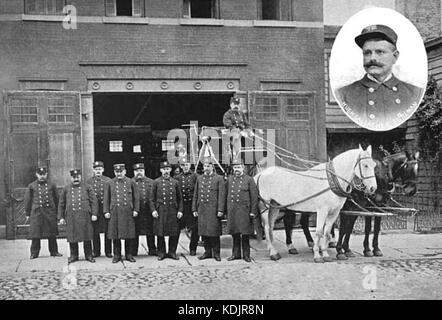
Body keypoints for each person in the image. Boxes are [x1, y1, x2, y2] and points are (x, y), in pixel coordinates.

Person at [335, 24, 424, 131]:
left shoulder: (414, 93)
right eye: (367, 53)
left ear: (395, 56)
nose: (372, 58)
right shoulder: (343, 94)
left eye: (380, 52)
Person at [58, 169, 98, 263]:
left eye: (78, 177)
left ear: (80, 177)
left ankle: (88, 255)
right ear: (71, 177)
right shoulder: (66, 188)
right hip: (71, 217)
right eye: (74, 177)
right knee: (72, 237)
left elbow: (94, 201)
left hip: (85, 216)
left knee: (87, 236)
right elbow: (61, 203)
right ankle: (73, 255)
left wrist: (94, 214)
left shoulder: (87, 187)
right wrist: (61, 217)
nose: (76, 179)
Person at [103, 164, 140, 263]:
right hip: (115, 212)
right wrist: (106, 211)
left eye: (121, 172)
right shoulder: (110, 183)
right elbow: (106, 199)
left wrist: (136, 210)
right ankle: (117, 255)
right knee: (115, 235)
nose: (119, 174)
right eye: (117, 172)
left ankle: (129, 254)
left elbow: (136, 198)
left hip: (128, 212)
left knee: (128, 235)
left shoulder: (131, 182)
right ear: (114, 172)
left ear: (125, 172)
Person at [24, 167, 62, 259]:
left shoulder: (52, 185)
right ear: (36, 175)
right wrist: (28, 213)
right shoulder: (32, 186)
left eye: (43, 174)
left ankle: (54, 251)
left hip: (50, 212)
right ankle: (34, 253)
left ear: (46, 174)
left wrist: (58, 213)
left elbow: (57, 199)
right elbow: (28, 200)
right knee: (35, 234)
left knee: (52, 233)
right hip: (37, 212)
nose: (42, 176)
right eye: (40, 174)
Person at [192, 158, 225, 261]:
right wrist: (194, 209)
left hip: (213, 210)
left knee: (214, 232)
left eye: (208, 166)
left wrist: (220, 209)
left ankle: (216, 253)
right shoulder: (200, 178)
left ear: (212, 167)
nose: (206, 168)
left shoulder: (219, 178)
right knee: (204, 232)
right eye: (205, 166)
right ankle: (207, 252)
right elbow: (196, 194)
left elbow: (222, 196)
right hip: (202, 209)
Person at [149, 161, 184, 261]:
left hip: (173, 210)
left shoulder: (175, 182)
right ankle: (161, 252)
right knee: (160, 233)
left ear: (170, 170)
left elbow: (180, 199)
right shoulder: (156, 182)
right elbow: (151, 199)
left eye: (168, 169)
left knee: (174, 232)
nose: (166, 171)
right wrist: (153, 210)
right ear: (161, 170)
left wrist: (180, 210)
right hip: (160, 211)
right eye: (164, 169)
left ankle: (172, 252)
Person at [226, 160, 259, 263]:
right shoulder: (230, 180)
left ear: (243, 168)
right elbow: (225, 194)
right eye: (235, 168)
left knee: (245, 234)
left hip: (245, 211)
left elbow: (254, 197)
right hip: (233, 211)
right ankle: (235, 254)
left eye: (239, 167)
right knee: (235, 234)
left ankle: (246, 255)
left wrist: (253, 211)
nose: (237, 170)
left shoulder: (249, 180)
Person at [86, 161, 113, 258]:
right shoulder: (89, 182)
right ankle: (96, 251)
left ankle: (108, 251)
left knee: (108, 231)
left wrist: (109, 210)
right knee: (95, 232)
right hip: (95, 211)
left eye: (100, 169)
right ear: (93, 170)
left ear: (103, 170)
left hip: (106, 210)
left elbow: (111, 196)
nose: (98, 171)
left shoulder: (108, 181)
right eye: (96, 169)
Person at [175, 159, 199, 256]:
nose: (185, 166)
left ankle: (193, 248)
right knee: (176, 229)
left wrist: (195, 208)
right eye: (183, 165)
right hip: (181, 207)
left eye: (187, 164)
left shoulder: (196, 177)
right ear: (181, 166)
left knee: (195, 229)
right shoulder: (177, 178)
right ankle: (173, 250)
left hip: (192, 207)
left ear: (190, 165)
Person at [132, 163, 156, 256]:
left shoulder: (151, 182)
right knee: (135, 232)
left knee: (150, 231)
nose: (139, 173)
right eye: (137, 171)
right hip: (136, 211)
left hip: (148, 210)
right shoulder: (131, 182)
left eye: (141, 171)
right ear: (134, 172)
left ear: (144, 171)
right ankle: (134, 251)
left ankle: (152, 250)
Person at [222, 96, 254, 161]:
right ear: (231, 105)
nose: (236, 106)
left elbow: (247, 124)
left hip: (242, 132)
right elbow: (228, 125)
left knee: (253, 135)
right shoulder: (227, 114)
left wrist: (249, 131)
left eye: (237, 104)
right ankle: (238, 155)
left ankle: (251, 155)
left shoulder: (241, 114)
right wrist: (240, 131)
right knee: (236, 134)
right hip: (232, 132)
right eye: (234, 104)